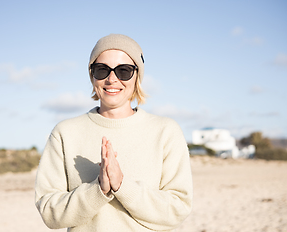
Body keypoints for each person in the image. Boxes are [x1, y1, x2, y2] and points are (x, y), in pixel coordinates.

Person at [35, 34, 193, 232]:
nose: (111, 79)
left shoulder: (166, 131)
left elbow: (178, 210)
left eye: (123, 71)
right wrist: (98, 189)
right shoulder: (64, 133)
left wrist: (122, 186)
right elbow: (50, 213)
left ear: (137, 76)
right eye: (101, 70)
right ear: (92, 75)